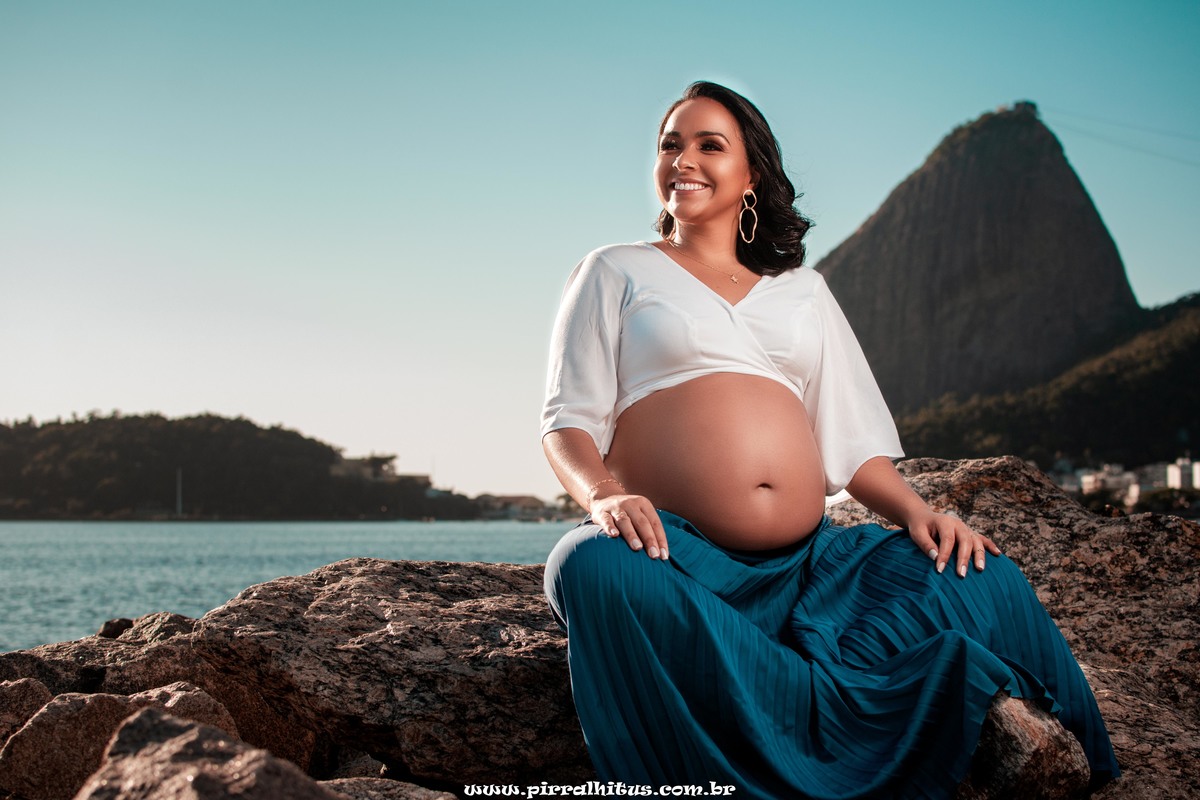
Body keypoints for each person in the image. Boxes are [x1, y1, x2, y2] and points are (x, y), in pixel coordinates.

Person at [540, 81, 1119, 798]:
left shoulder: (802, 292)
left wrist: (919, 514)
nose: (682, 160)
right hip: (681, 559)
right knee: (588, 564)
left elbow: (852, 445)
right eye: (669, 144)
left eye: (708, 145)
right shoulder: (616, 270)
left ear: (751, 175)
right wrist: (604, 494)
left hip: (816, 571)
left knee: (981, 573)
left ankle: (1065, 760)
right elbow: (567, 420)